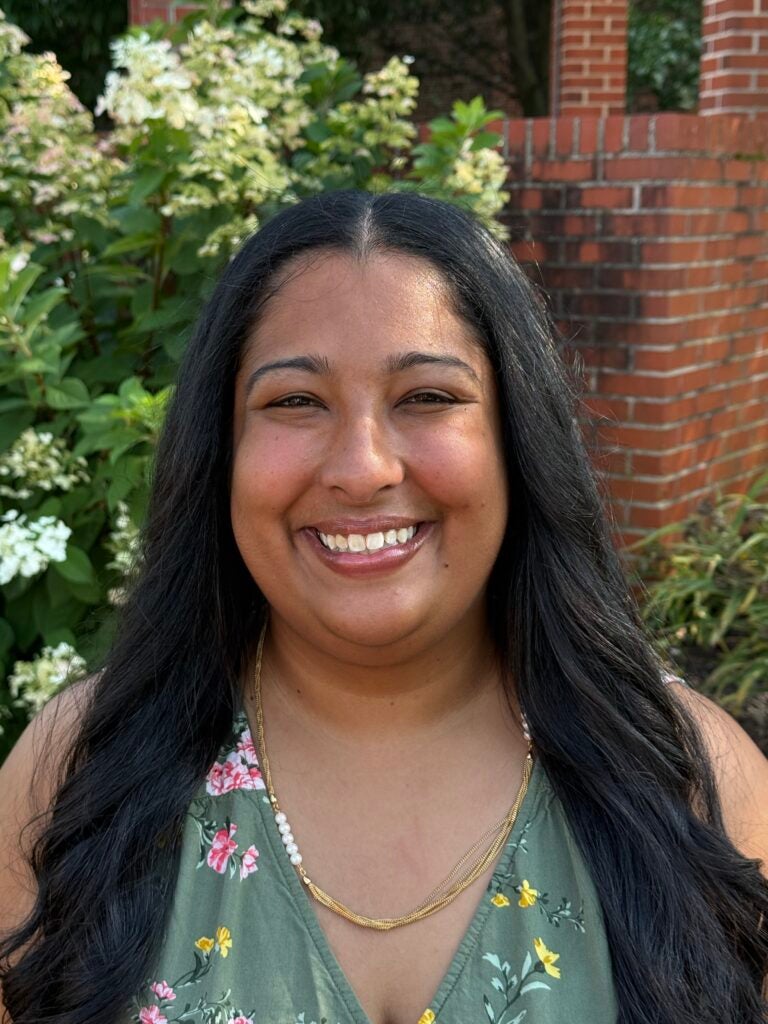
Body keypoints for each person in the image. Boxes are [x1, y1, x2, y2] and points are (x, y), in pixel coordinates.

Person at [0, 190, 767, 1024]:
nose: (362, 469)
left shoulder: (691, 783)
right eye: (295, 401)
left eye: (428, 398)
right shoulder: (81, 776)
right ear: (221, 451)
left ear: (518, 440)